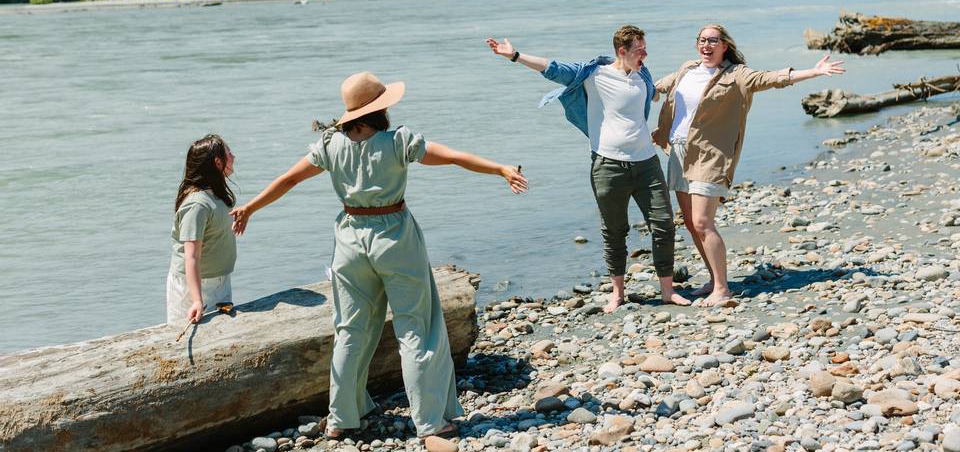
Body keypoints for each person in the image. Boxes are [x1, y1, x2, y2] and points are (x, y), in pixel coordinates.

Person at [230, 71, 527, 441]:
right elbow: (451, 158)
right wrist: (499, 168)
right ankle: (431, 422)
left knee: (350, 330)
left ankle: (340, 418)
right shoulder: (398, 141)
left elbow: (288, 180)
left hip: (350, 240)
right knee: (416, 328)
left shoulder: (329, 145)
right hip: (395, 239)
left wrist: (250, 208)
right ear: (381, 109)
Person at [486, 26, 688, 313]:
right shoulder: (595, 73)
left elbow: (650, 96)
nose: (645, 53)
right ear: (622, 51)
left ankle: (667, 291)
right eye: (639, 50)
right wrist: (515, 55)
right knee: (615, 231)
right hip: (608, 166)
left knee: (664, 224)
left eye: (645, 48)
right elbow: (553, 68)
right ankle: (617, 293)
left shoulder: (642, 74)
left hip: (647, 164)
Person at [653, 24, 845, 307]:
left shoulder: (737, 75)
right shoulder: (687, 69)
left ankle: (722, 289)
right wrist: (637, 84)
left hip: (710, 156)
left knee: (704, 222)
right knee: (692, 225)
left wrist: (813, 72)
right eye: (702, 40)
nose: (706, 45)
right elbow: (659, 85)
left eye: (713, 41)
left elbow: (772, 78)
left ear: (725, 46)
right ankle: (714, 279)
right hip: (678, 152)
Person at [167, 134, 237, 325]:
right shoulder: (197, 204)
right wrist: (197, 300)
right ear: (217, 162)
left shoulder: (217, 196)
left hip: (220, 280)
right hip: (192, 287)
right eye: (229, 153)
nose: (234, 157)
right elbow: (192, 256)